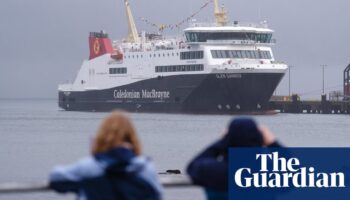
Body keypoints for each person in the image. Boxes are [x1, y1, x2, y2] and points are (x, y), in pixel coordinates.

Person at [49, 111, 162, 200]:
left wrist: (95, 153)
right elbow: (157, 196)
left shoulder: (90, 167)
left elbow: (56, 177)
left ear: (101, 135)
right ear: (132, 136)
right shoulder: (146, 168)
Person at [186, 118, 282, 200]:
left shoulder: (212, 171)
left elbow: (192, 166)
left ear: (228, 140)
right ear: (260, 139)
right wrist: (273, 143)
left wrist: (224, 140)